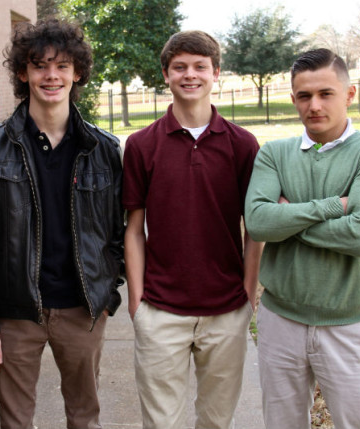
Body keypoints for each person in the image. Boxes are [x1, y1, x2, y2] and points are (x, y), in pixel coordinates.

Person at [0, 19, 124, 429]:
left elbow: (118, 231)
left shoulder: (104, 149)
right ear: (23, 73)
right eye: (39, 65)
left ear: (78, 73)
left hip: (82, 309)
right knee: (15, 422)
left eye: (62, 66)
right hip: (15, 313)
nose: (51, 76)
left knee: (85, 418)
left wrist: (106, 294)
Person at [244, 48, 360, 429]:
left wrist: (289, 216)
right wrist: (332, 207)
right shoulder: (275, 155)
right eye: (303, 95)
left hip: (348, 323)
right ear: (294, 98)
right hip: (280, 320)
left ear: (349, 94)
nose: (314, 105)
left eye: (326, 93)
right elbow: (260, 224)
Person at [122, 30, 263, 428]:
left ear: (216, 73)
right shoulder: (142, 145)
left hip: (227, 309)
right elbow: (134, 229)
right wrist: (138, 302)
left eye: (200, 66)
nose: (190, 75)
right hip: (161, 310)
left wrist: (249, 294)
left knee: (216, 421)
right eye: (180, 67)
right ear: (165, 74)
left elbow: (254, 228)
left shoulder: (242, 144)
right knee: (160, 422)